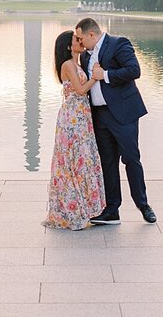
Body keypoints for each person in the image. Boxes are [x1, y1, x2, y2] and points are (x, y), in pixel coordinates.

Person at [74, 17, 156, 224]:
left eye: (81, 38)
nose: (80, 42)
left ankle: (143, 205)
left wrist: (105, 74)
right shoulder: (84, 56)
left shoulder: (118, 43)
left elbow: (134, 70)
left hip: (123, 113)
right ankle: (112, 209)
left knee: (131, 158)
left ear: (91, 34)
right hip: (99, 116)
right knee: (107, 163)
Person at [43, 29, 106, 230]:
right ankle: (71, 211)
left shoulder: (77, 63)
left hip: (80, 116)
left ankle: (82, 207)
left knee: (81, 159)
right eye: (76, 39)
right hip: (72, 117)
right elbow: (80, 90)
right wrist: (96, 76)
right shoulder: (68, 65)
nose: (80, 41)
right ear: (69, 46)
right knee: (72, 160)